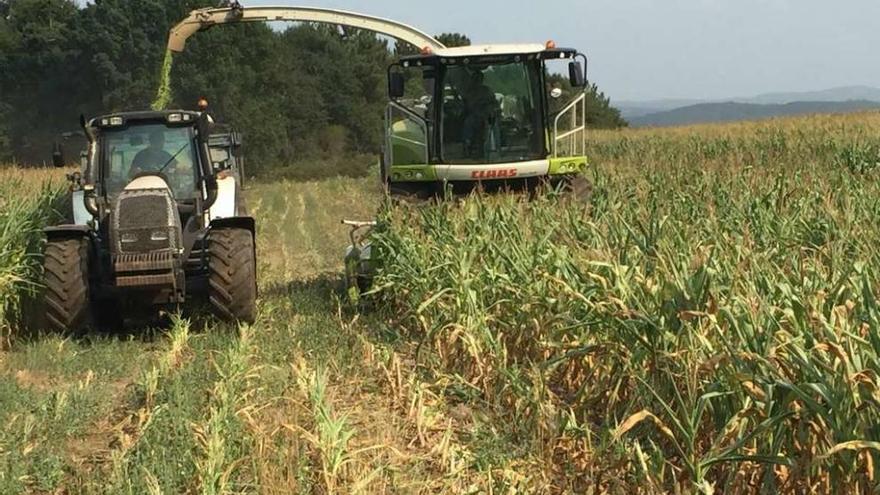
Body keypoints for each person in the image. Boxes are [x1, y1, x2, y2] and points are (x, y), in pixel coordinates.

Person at [461, 70, 499, 158]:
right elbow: (469, 105)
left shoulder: (487, 90)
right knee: (468, 123)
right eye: (475, 79)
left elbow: (494, 103)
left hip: (488, 117)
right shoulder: (470, 92)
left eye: (479, 79)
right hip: (475, 117)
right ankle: (467, 145)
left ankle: (496, 148)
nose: (477, 81)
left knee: (494, 126)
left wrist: (490, 108)